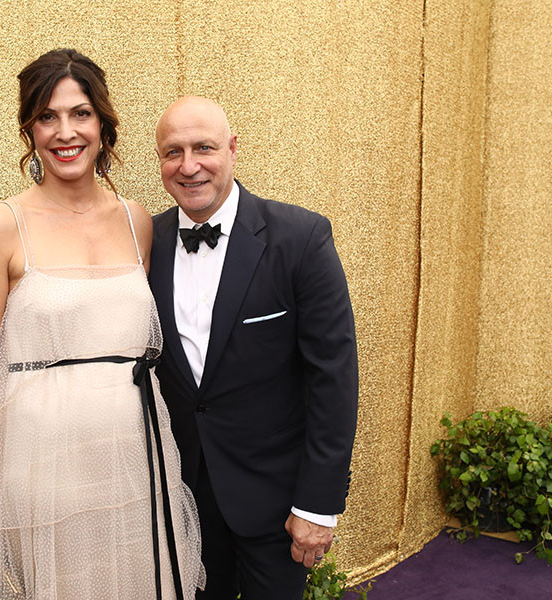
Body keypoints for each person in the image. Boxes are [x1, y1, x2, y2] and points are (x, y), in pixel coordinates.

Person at [0, 50, 205, 599]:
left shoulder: (136, 221)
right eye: (47, 116)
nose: (65, 132)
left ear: (103, 123)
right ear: (29, 129)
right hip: (44, 466)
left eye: (80, 113)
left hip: (135, 455)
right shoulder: (0, 226)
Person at [149, 96, 359, 599]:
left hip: (276, 503)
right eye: (173, 152)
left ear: (233, 149)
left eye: (204, 148)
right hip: (182, 499)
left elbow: (333, 377)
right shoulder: (145, 243)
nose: (189, 166)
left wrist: (317, 504)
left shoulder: (301, 238)